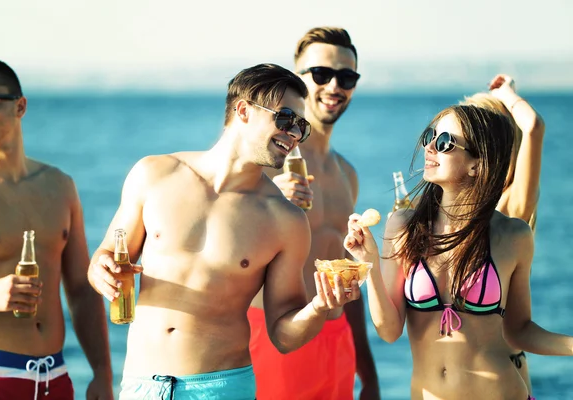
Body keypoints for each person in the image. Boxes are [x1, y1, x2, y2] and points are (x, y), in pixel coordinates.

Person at [87, 63, 360, 400]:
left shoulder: (284, 220)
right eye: (286, 118)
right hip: (140, 385)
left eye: (301, 126)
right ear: (243, 110)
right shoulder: (154, 175)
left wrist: (319, 307)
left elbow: (283, 336)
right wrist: (99, 269)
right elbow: (106, 255)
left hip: (221, 388)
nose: (294, 133)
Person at [344, 104, 573, 399]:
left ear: (477, 163)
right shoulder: (403, 227)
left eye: (444, 143)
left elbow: (519, 330)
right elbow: (389, 330)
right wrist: (370, 263)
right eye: (430, 137)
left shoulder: (513, 235)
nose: (429, 148)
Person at [248, 27, 380, 400]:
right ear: (297, 78)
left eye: (347, 76)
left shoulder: (347, 174)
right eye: (321, 74)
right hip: (276, 337)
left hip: (337, 341)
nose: (334, 86)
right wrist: (269, 200)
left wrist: (368, 374)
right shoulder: (266, 166)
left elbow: (345, 274)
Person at [0, 57, 113, 400]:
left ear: (20, 106)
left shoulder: (59, 186)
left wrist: (102, 374)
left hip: (54, 379)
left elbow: (81, 290)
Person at [461, 74, 545, 396]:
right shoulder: (455, 210)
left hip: (504, 376)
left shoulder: (512, 206)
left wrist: (506, 94)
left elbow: (533, 127)